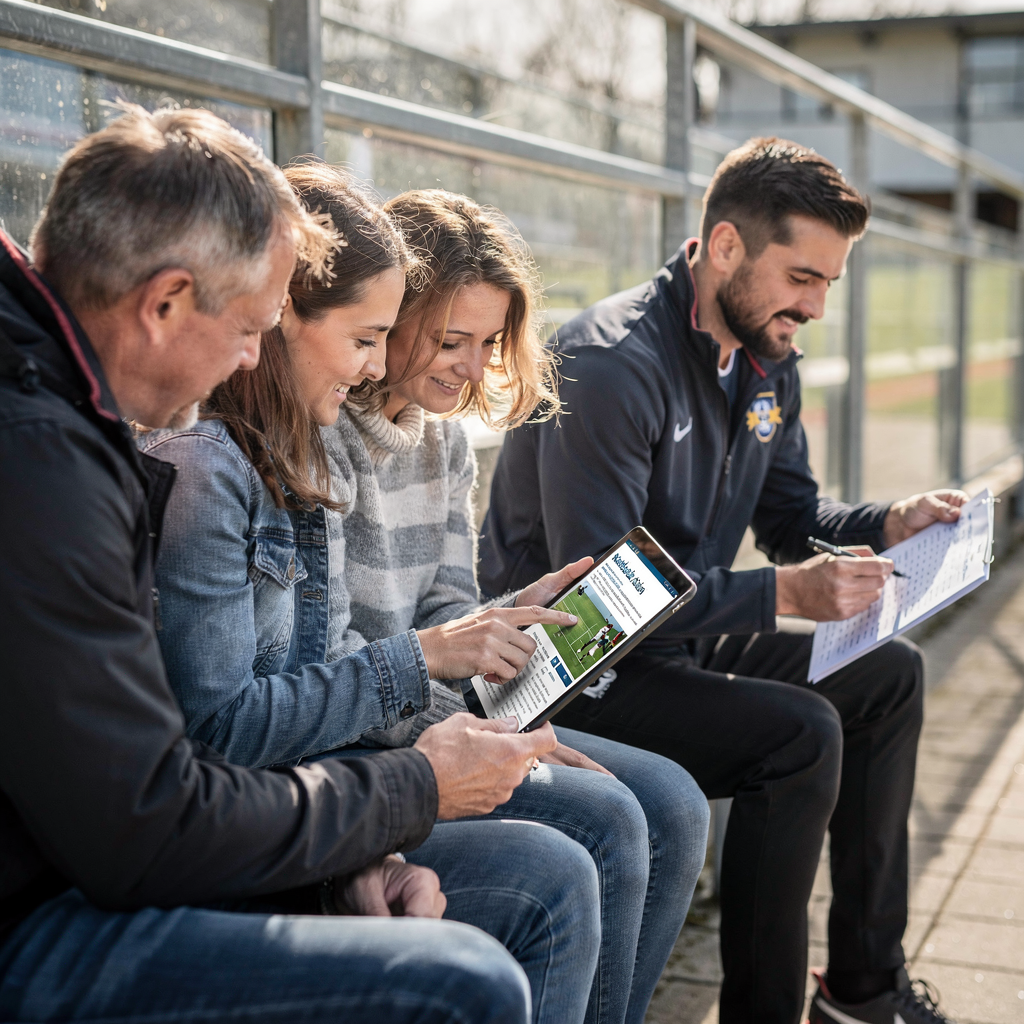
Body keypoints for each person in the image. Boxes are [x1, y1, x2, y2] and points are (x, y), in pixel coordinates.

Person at [0, 104, 583, 1024]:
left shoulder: (67, 421)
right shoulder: (56, 466)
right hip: (44, 911)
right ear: (163, 303)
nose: (247, 359)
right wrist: (408, 792)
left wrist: (352, 857)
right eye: (248, 327)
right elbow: (158, 808)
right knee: (464, 987)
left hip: (89, 858)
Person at [479, 137, 963, 1024]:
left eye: (828, 285)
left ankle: (861, 991)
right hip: (565, 669)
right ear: (727, 246)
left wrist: (890, 524)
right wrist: (786, 597)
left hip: (675, 643)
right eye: (802, 278)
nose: (814, 307)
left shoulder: (766, 353)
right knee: (800, 735)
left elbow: (789, 520)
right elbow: (602, 597)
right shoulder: (611, 362)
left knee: (888, 676)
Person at [137, 162, 614, 1024]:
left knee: (607, 819)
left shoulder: (301, 454)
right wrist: (426, 706)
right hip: (273, 808)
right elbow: (223, 728)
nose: (370, 368)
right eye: (369, 339)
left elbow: (352, 654)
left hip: (313, 788)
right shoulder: (217, 468)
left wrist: (490, 652)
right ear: (284, 320)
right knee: (564, 867)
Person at [324, 188, 709, 1024]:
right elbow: (340, 653)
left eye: (487, 343)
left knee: (674, 801)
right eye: (450, 339)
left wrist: (513, 616)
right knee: (607, 816)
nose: (470, 366)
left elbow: (448, 606)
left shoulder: (445, 442)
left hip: (442, 709)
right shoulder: (321, 434)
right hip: (364, 734)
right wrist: (490, 726)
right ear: (392, 316)